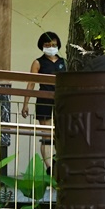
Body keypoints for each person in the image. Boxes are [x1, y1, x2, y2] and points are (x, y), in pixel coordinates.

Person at [22, 31, 65, 169]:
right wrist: (25, 104)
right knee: (46, 135)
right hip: (44, 98)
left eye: (53, 44)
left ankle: (61, 164)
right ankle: (49, 167)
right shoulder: (38, 62)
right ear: (42, 46)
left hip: (60, 99)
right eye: (47, 44)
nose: (51, 47)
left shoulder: (64, 62)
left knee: (60, 133)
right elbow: (31, 83)